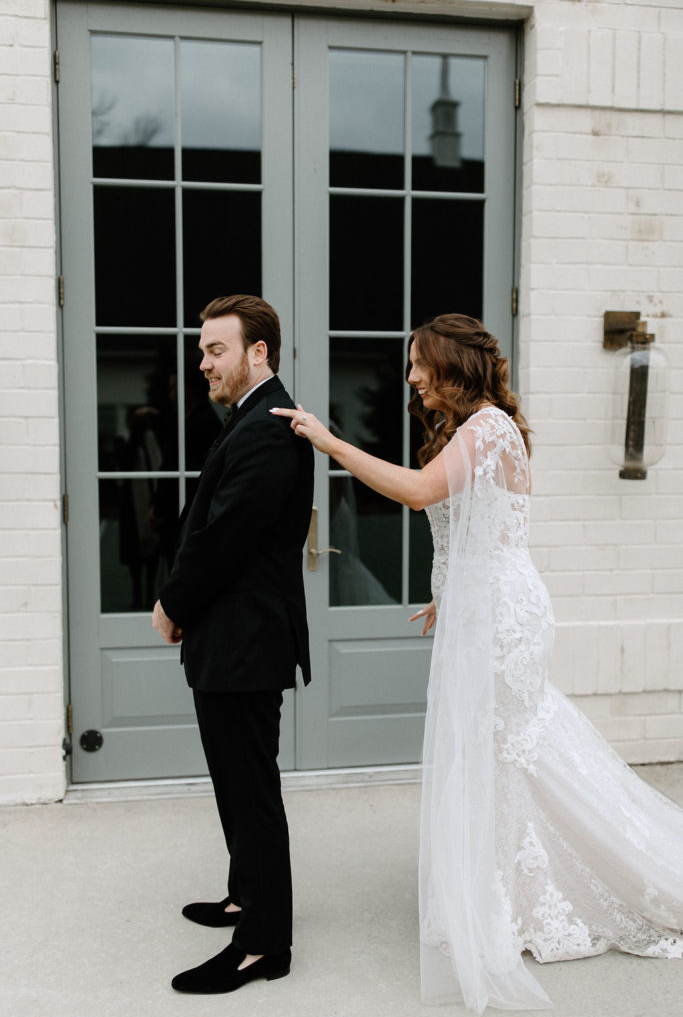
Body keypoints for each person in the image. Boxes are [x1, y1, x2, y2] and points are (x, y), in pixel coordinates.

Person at [272, 313, 683, 1014]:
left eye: (416, 365)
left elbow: (420, 493)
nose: (408, 378)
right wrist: (442, 594)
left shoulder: (487, 426)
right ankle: (515, 892)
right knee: (502, 752)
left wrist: (328, 440)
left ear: (450, 365)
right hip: (478, 606)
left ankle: (585, 886)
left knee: (514, 748)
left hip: (502, 616)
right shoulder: (472, 430)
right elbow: (470, 524)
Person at [152, 294, 314, 995]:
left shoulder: (269, 428)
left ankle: (262, 945)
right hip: (232, 641)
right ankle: (245, 896)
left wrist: (172, 603)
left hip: (245, 641)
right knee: (235, 784)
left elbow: (225, 536)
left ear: (258, 352)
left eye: (215, 349)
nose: (203, 363)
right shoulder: (249, 419)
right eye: (201, 351)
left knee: (250, 791)